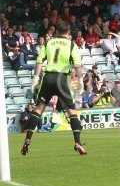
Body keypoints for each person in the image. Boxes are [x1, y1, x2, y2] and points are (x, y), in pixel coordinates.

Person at [20, 22, 87, 155]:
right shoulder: (71, 44)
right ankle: (77, 143)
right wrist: (80, 80)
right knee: (71, 112)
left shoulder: (48, 42)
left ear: (56, 31)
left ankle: (27, 140)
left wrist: (35, 78)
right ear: (68, 32)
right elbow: (78, 65)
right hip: (62, 79)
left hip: (48, 77)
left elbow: (39, 61)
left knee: (38, 109)